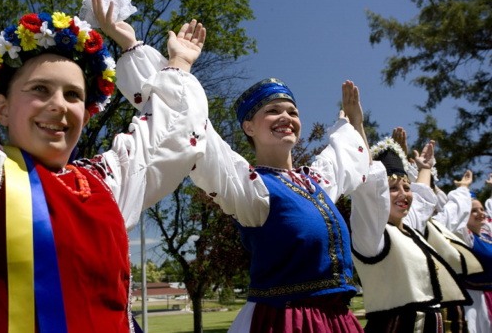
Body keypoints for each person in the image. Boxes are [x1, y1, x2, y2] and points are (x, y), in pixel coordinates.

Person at [0, 0, 208, 331]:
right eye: (40, 89)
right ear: (1, 108)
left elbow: (169, 135)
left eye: (73, 95)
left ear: (86, 114)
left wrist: (177, 62)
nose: (59, 104)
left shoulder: (107, 183)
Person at [180, 74, 370, 330]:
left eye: (293, 112)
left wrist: (356, 123)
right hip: (286, 321)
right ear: (249, 127)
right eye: (272, 110)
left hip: (337, 320)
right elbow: (197, 136)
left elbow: (353, 160)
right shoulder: (251, 188)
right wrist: (178, 68)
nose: (286, 117)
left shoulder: (316, 183)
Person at [350, 138, 471, 333]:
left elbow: (421, 198)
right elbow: (368, 190)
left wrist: (425, 168)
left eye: (406, 187)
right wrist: (357, 127)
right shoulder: (372, 235)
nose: (403, 193)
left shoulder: (409, 229)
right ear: (378, 194)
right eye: (392, 188)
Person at [391, 128, 481, 333]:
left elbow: (441, 206)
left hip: (439, 306)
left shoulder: (436, 224)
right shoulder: (402, 224)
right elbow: (422, 199)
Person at [439, 172, 492, 333]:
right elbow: (454, 215)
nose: (481, 213)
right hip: (474, 301)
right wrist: (463, 189)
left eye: (482, 209)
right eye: (473, 211)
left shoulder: (486, 233)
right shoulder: (464, 237)